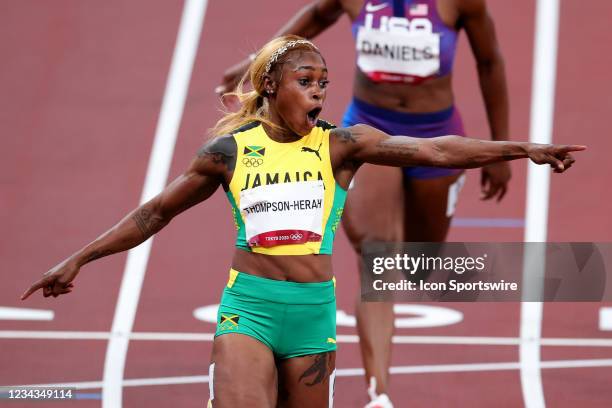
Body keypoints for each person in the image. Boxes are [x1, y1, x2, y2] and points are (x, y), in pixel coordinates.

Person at [23, 36, 582, 408]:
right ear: (270, 85)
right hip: (251, 308)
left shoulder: (342, 145)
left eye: (324, 84)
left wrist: (520, 148)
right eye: (306, 81)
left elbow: (434, 151)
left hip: (313, 316)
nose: (318, 92)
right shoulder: (228, 152)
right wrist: (79, 257)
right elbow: (154, 213)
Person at [217, 1, 511, 405]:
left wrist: (498, 149)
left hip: (435, 133)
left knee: (417, 266)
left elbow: (490, 62)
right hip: (371, 127)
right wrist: (256, 64)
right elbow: (316, 16)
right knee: (379, 257)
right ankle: (379, 393)